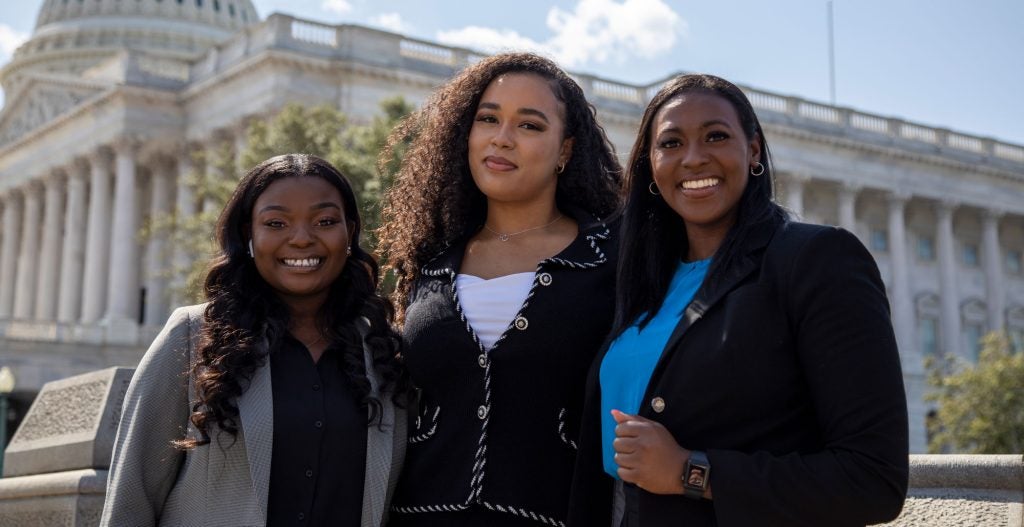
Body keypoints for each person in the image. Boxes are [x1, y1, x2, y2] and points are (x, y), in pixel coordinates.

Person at [568, 74, 909, 527]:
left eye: (716, 136)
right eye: (670, 143)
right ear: (650, 164)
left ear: (752, 151)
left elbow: (873, 481)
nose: (693, 158)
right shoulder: (640, 280)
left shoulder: (816, 259)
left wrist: (691, 471)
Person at [376, 52, 622, 526]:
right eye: (488, 119)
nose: (501, 138)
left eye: (529, 126)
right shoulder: (428, 267)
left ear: (565, 150)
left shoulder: (613, 259)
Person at [101, 154, 406, 527]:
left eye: (325, 221)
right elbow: (132, 496)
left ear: (350, 232)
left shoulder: (385, 354)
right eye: (276, 223)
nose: (301, 239)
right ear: (249, 235)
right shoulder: (192, 335)